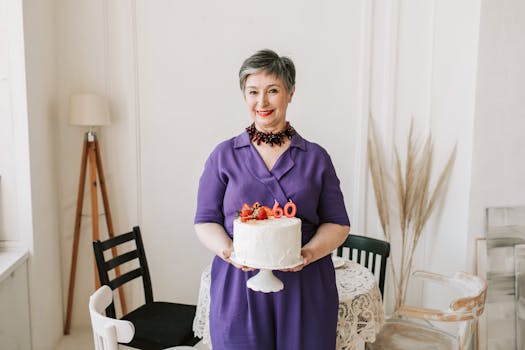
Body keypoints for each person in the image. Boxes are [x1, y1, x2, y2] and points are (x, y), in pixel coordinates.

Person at [194, 49, 350, 350]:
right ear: (244, 96)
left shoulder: (316, 157)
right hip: (239, 287)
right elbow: (205, 220)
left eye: (272, 91)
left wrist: (308, 253)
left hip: (305, 286)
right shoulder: (224, 156)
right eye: (253, 92)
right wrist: (229, 251)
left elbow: (338, 223)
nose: (262, 102)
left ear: (290, 93)